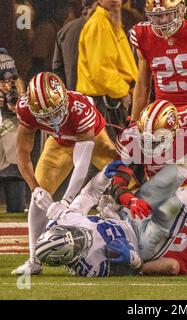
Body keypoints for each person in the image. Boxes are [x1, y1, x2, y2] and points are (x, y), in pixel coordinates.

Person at [12, 71, 116, 275]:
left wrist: (66, 201)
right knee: (39, 197)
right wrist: (35, 188)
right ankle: (34, 260)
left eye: (54, 112)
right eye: (45, 117)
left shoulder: (80, 109)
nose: (51, 120)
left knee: (122, 180)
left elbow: (82, 163)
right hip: (59, 144)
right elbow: (22, 153)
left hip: (94, 140)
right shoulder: (26, 109)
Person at [34, 159, 187, 276]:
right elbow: (137, 270)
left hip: (125, 217)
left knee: (172, 173)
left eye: (75, 235)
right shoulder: (92, 267)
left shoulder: (64, 219)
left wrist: (103, 176)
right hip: (143, 244)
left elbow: (90, 194)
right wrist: (132, 259)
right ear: (71, 259)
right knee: (182, 200)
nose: (81, 238)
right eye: (78, 245)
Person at [77, 0, 138, 138]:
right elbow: (101, 72)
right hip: (106, 103)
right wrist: (123, 91)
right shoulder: (100, 25)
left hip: (111, 100)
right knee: (110, 154)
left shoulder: (110, 22)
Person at [0, 49, 26, 213]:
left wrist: (17, 110)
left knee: (17, 213)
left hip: (15, 165)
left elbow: (36, 124)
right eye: (1, 80)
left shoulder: (21, 97)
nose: (6, 85)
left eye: (10, 80)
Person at [52, 0, 98, 91]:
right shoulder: (106, 29)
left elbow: (57, 69)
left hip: (73, 99)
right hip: (101, 101)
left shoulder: (65, 31)